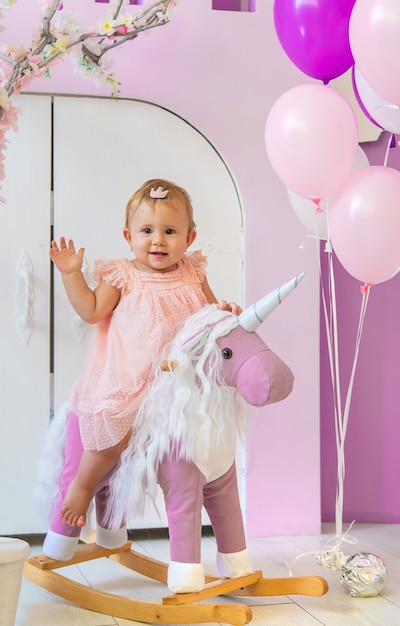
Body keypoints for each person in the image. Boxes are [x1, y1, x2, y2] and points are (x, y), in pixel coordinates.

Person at [49, 178, 242, 529]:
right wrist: (72, 275)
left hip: (174, 387)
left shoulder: (193, 273)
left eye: (170, 231)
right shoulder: (121, 276)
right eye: (147, 230)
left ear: (189, 238)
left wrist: (225, 311)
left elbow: (209, 316)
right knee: (112, 441)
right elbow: (91, 310)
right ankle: (83, 485)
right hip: (128, 380)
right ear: (129, 237)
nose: (158, 240)